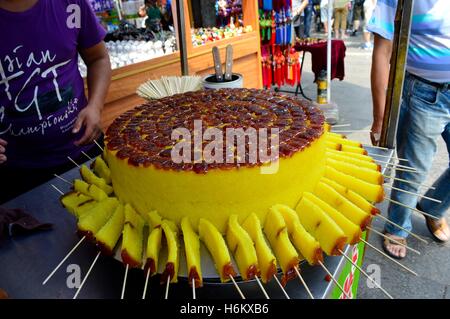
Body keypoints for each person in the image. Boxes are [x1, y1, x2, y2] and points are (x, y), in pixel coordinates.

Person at [0, 0, 111, 204]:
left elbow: (98, 58)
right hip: (15, 175)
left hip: (84, 151)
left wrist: (95, 106)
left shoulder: (70, 4)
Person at [369, 0, 450, 259]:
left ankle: (432, 207)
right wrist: (380, 117)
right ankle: (397, 227)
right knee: (413, 169)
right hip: (425, 94)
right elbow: (382, 52)